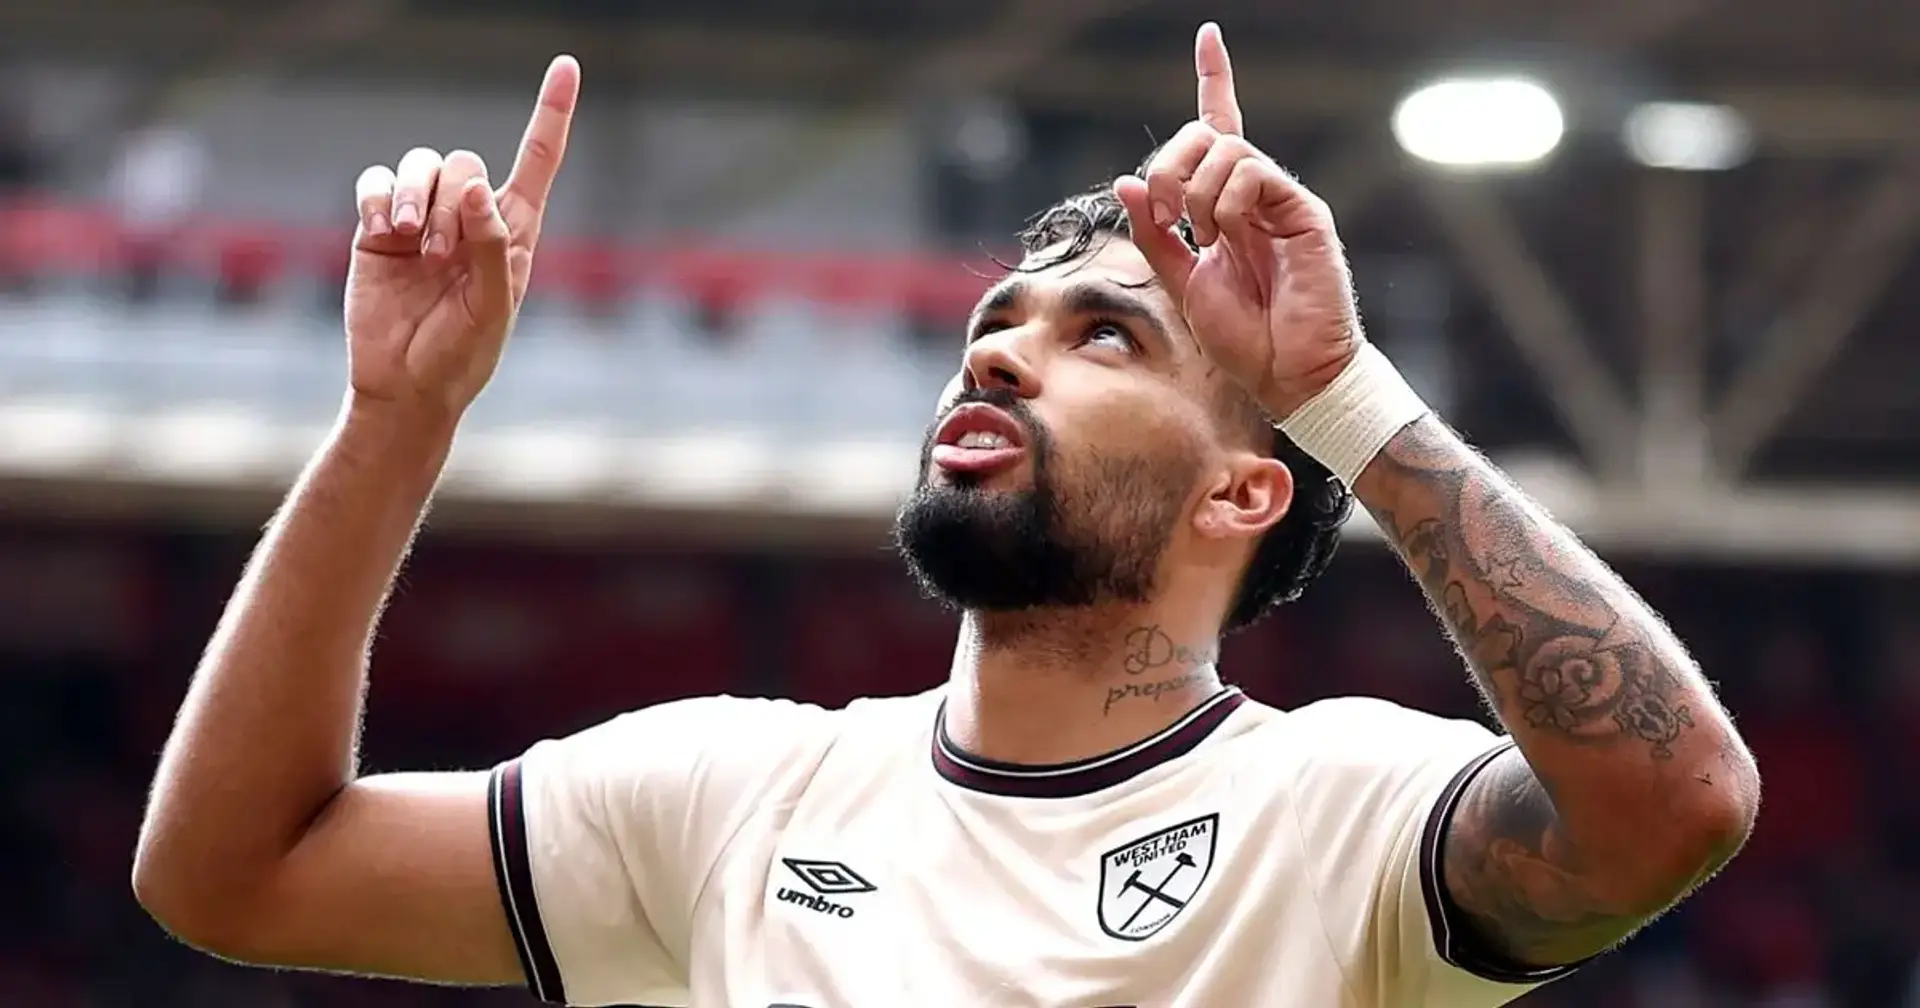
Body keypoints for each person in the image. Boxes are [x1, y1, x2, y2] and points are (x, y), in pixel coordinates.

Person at [131, 25, 1760, 1008]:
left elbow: (1676, 804)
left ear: (1245, 488)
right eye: (994, 322)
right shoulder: (727, 794)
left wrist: (1345, 395)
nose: (998, 350)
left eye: (1103, 336)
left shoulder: (1339, 809)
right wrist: (396, 420)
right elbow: (233, 876)